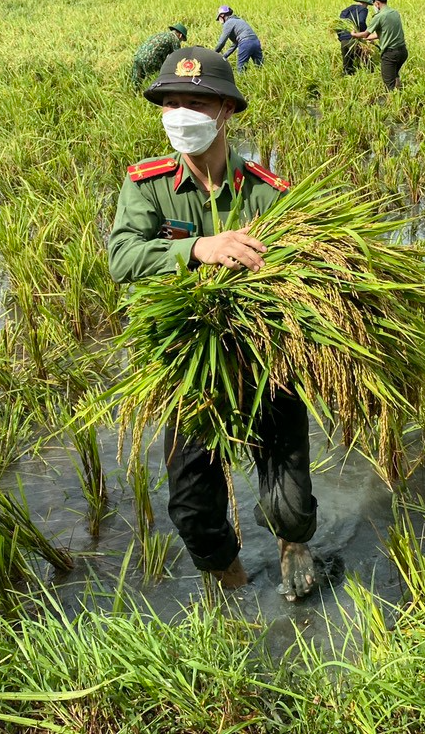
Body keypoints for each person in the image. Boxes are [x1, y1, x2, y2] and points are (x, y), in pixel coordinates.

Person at [108, 46, 317, 603]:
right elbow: (122, 257)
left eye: (195, 103)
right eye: (170, 103)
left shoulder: (265, 191)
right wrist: (200, 248)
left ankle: (292, 543)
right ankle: (236, 588)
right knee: (193, 507)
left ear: (225, 110)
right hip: (188, 365)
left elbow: (308, 270)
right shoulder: (146, 185)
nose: (180, 115)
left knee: (290, 500)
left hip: (262, 360)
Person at [352, 0, 407, 90]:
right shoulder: (394, 13)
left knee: (388, 83)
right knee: (395, 75)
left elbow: (365, 33)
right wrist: (367, 38)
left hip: (390, 54)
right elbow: (382, 33)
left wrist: (354, 35)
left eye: (373, 4)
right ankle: (400, 93)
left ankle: (393, 102)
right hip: (403, 52)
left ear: (377, 3)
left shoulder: (379, 16)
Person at [214, 6, 263, 72]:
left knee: (241, 67)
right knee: (260, 67)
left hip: (246, 43)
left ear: (222, 15)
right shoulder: (239, 20)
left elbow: (221, 42)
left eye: (219, 18)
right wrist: (224, 56)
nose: (219, 20)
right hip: (256, 42)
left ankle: (243, 81)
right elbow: (235, 44)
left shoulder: (228, 23)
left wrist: (214, 53)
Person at [337, 0, 373, 75]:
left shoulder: (347, 9)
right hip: (354, 40)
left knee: (347, 66)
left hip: (344, 40)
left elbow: (338, 24)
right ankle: (371, 75)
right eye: (367, 4)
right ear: (365, 3)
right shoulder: (363, 9)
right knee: (367, 61)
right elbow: (361, 21)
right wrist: (364, 34)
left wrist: (341, 37)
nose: (367, 6)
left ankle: (346, 80)